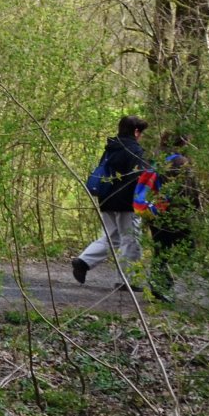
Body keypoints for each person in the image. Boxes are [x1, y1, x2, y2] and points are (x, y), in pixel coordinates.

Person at [73, 115, 151, 287]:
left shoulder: (111, 147)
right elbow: (140, 178)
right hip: (126, 203)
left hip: (106, 198)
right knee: (130, 239)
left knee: (112, 237)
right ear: (136, 131)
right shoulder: (135, 151)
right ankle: (127, 281)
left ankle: (83, 261)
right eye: (141, 132)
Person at [143, 130, 200, 301]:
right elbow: (191, 190)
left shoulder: (153, 158)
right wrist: (194, 209)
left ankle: (158, 284)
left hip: (154, 211)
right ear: (182, 143)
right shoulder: (181, 163)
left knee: (161, 249)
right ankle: (162, 284)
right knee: (188, 248)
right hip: (176, 213)